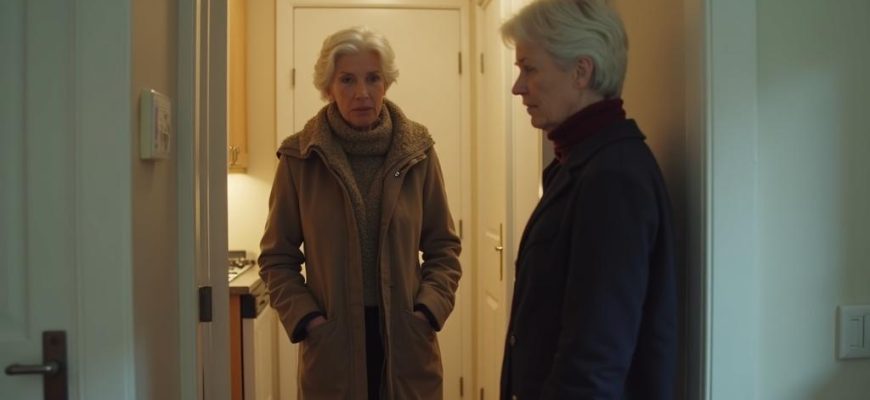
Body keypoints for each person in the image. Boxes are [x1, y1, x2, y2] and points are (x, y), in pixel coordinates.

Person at [258, 26, 461, 400]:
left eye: (373, 78)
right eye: (347, 80)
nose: (362, 93)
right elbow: (276, 258)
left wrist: (429, 310)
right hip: (333, 343)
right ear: (328, 87)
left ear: (387, 83)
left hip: (407, 340)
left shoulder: (419, 152)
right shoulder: (300, 158)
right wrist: (307, 319)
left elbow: (444, 248)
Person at [498, 0, 677, 398]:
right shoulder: (580, 165)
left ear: (581, 71)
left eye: (529, 68)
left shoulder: (613, 178)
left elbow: (595, 361)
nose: (518, 87)